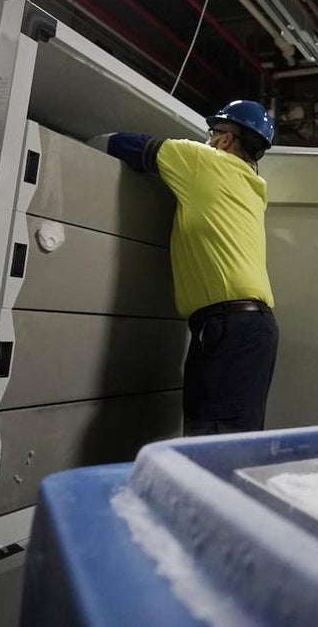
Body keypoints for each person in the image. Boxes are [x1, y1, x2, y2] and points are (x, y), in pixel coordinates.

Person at [92, 100, 279, 435]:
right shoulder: (252, 189)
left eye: (214, 134)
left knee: (211, 437)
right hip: (253, 327)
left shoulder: (203, 160)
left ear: (225, 140)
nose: (209, 140)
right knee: (237, 436)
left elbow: (121, 143)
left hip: (227, 325)